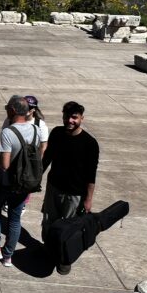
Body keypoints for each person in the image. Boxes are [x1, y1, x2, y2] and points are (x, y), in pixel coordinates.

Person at [0, 96, 44, 267]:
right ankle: (8, 256)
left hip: (5, 183)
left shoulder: (8, 132)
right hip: (25, 183)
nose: (6, 110)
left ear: (13, 110)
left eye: (7, 107)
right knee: (15, 220)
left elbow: (5, 164)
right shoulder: (36, 129)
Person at [41, 101, 99, 274]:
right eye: (67, 116)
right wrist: (36, 179)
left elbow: (91, 175)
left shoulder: (90, 143)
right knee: (48, 223)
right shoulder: (57, 133)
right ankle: (49, 250)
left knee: (68, 229)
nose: (70, 120)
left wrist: (88, 199)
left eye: (74, 117)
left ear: (82, 118)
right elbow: (47, 159)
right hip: (54, 188)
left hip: (74, 194)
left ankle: (64, 259)